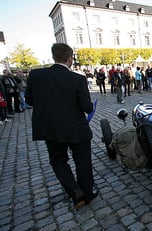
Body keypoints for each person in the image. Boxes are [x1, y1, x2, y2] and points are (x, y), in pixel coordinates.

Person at [25, 43, 98, 209]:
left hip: (51, 129)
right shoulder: (78, 79)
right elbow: (86, 106)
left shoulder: (36, 75)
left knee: (58, 161)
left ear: (53, 57)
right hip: (76, 128)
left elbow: (29, 101)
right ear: (70, 58)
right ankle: (87, 192)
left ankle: (74, 191)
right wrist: (91, 107)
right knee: (83, 161)